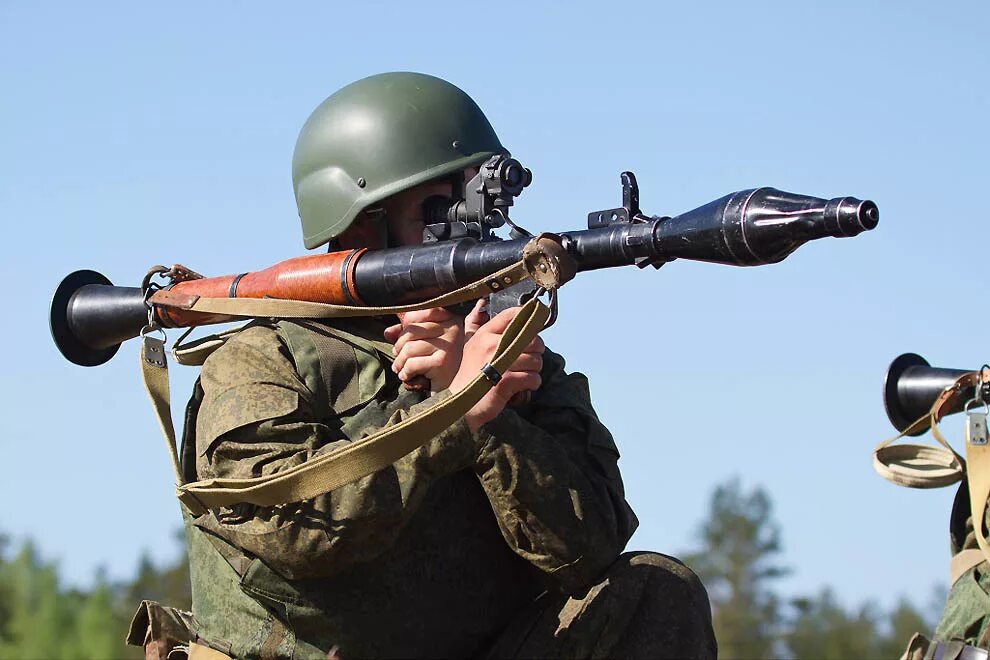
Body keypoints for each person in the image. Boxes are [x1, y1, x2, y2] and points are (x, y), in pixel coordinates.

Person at [131, 72, 716, 659]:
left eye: (479, 206)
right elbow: (297, 530)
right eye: (440, 206)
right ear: (364, 220)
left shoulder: (507, 352)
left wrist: (491, 419)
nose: (472, 228)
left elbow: (588, 551)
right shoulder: (262, 360)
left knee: (654, 593)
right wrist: (453, 415)